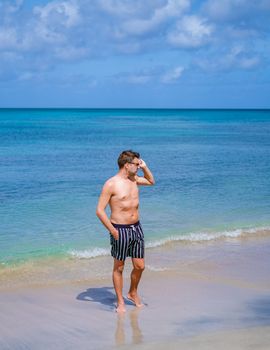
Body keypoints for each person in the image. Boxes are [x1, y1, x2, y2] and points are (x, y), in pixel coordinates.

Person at [96, 150, 155, 313]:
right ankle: (120, 301)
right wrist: (112, 230)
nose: (138, 166)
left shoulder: (134, 179)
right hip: (119, 230)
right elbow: (100, 211)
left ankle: (132, 292)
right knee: (119, 267)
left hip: (136, 227)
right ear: (127, 165)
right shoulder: (111, 184)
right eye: (136, 164)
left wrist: (145, 167)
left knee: (140, 266)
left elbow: (151, 182)